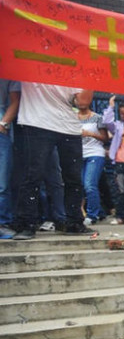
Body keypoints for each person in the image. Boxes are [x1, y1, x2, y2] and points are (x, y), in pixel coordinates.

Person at [12, 83, 94, 239]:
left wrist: (90, 77)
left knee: (73, 178)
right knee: (33, 175)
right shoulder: (30, 62)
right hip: (37, 122)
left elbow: (82, 102)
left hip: (68, 126)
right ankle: (26, 224)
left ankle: (74, 222)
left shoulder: (74, 68)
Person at [77, 93, 109, 224]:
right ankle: (100, 211)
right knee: (80, 185)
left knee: (89, 185)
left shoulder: (97, 118)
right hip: (78, 154)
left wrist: (90, 134)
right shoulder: (71, 118)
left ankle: (92, 215)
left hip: (95, 153)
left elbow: (105, 138)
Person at [0, 79, 22, 239]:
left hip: (2, 121)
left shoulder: (9, 73)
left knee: (2, 180)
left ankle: (3, 222)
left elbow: (15, 100)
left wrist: (3, 123)